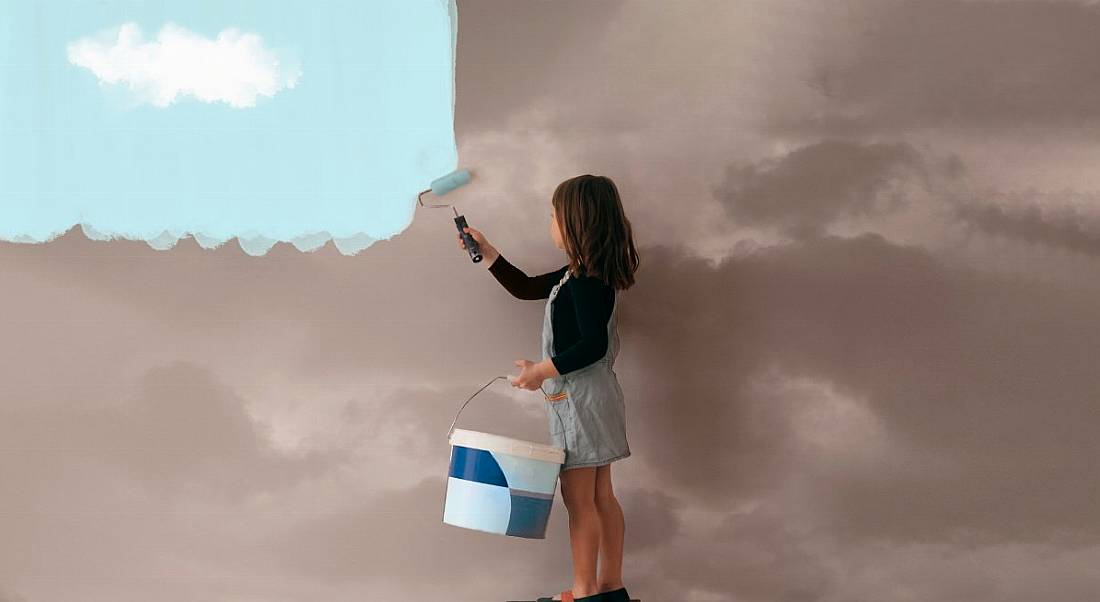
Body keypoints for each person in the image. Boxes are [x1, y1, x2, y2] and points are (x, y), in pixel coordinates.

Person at [457, 174, 640, 602]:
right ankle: (610, 589)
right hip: (594, 399)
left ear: (576, 222)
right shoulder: (581, 274)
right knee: (601, 495)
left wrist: (541, 370)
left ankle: (585, 591)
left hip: (580, 403)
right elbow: (526, 288)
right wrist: (487, 254)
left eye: (554, 216)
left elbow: (592, 345)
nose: (551, 223)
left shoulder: (584, 281)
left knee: (580, 499)